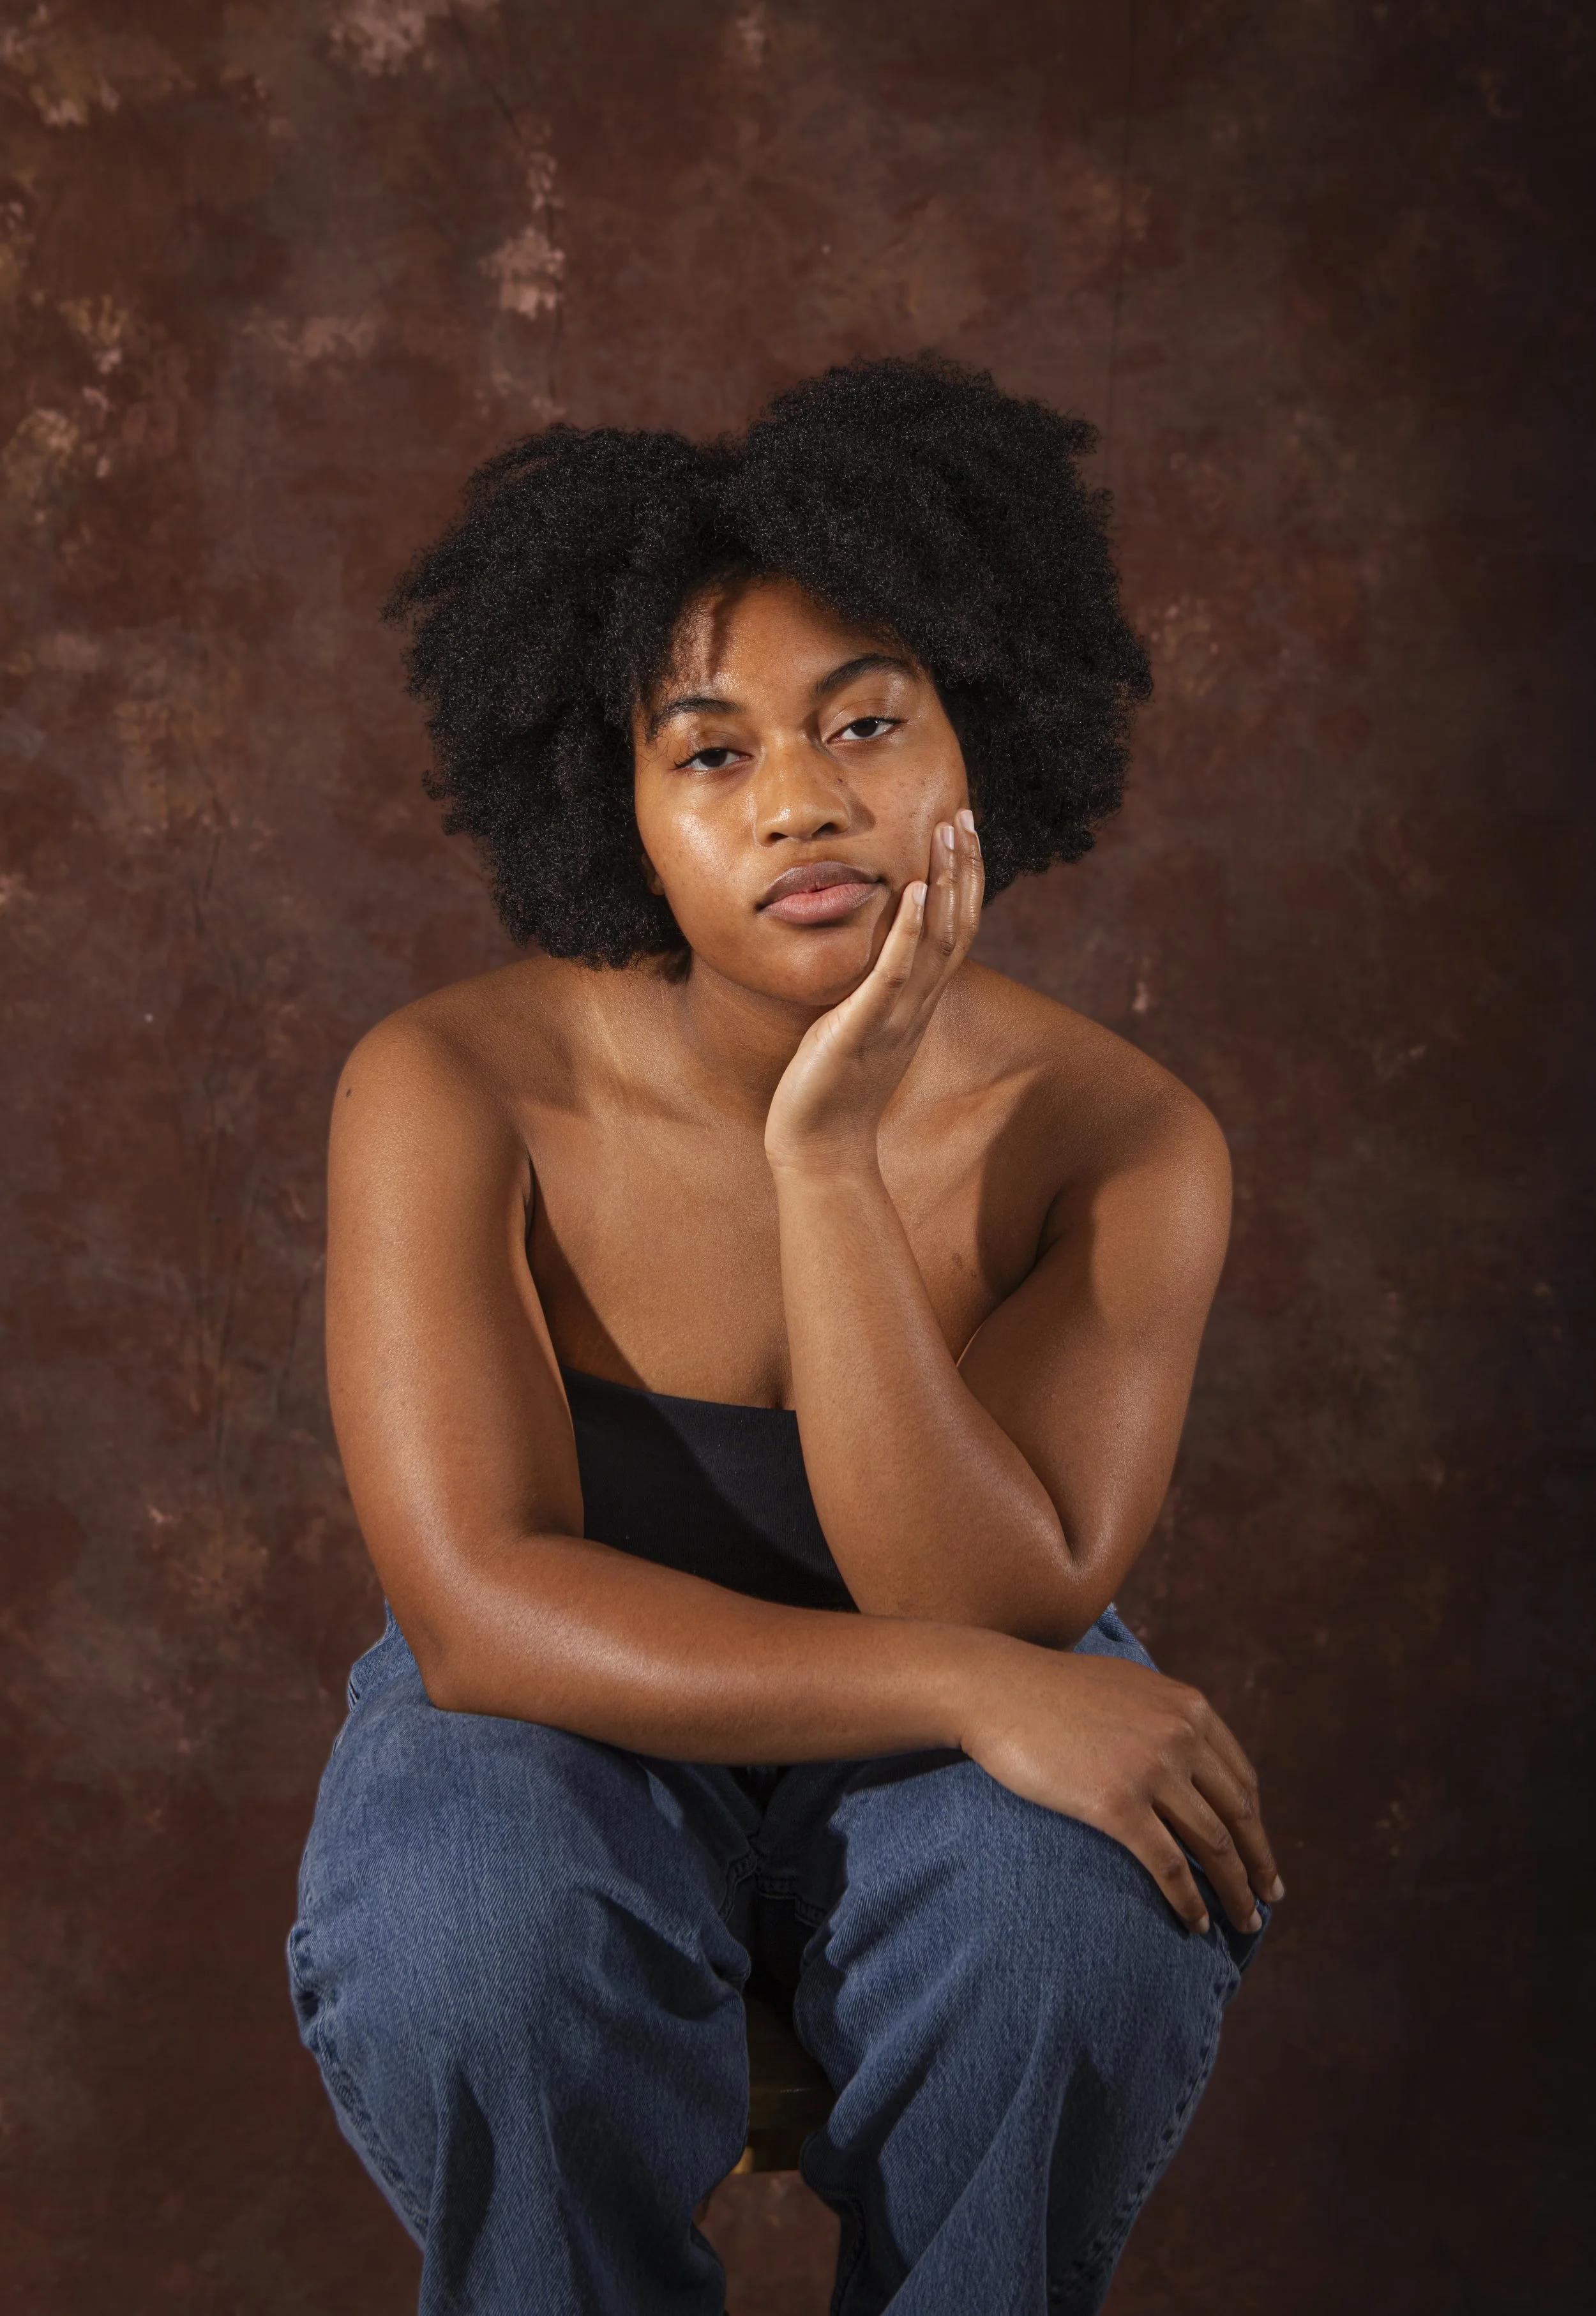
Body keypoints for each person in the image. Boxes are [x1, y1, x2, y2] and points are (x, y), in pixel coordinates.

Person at [287, 354, 1281, 2315]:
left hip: (954, 1689)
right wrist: (986, 1691)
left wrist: (824, 1163)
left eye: (866, 723)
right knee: (464, 1927)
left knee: (1073, 1919)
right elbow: (482, 1611)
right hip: (563, 1699)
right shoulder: (448, 1081)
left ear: (974, 738)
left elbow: (994, 1602)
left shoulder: (1120, 1139)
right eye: (711, 749)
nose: (803, 800)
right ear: (619, 803)